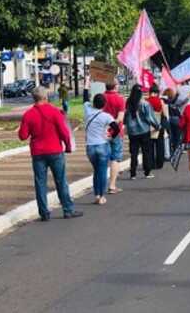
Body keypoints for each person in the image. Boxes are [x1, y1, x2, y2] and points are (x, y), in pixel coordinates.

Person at [18, 87, 83, 221]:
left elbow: (23, 136)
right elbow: (64, 132)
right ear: (45, 97)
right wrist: (68, 146)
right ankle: (68, 209)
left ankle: (44, 212)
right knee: (61, 181)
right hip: (55, 150)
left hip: (38, 152)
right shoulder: (54, 112)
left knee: (40, 183)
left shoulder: (28, 114)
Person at [83, 92, 117, 205]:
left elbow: (85, 97)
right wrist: (111, 136)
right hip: (102, 145)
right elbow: (116, 128)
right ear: (104, 104)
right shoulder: (106, 116)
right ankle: (101, 196)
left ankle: (97, 194)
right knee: (102, 171)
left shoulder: (87, 111)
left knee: (96, 170)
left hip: (90, 147)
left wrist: (87, 85)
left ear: (93, 103)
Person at [124, 84, 160, 180]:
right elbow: (149, 117)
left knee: (134, 152)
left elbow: (126, 116)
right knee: (146, 152)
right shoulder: (144, 103)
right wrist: (156, 126)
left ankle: (133, 173)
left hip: (132, 131)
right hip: (144, 130)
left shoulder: (128, 102)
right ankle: (147, 172)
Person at [102, 79, 126, 194]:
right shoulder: (120, 99)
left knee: (102, 159)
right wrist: (113, 126)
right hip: (116, 132)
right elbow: (120, 118)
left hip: (102, 132)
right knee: (115, 158)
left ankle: (100, 187)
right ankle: (112, 186)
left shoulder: (100, 97)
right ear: (116, 86)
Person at [147, 84, 168, 169]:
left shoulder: (146, 101)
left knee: (150, 146)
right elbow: (165, 114)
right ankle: (159, 163)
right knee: (160, 145)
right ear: (157, 93)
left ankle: (151, 163)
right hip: (159, 125)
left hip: (149, 126)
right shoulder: (160, 101)